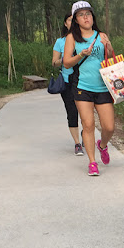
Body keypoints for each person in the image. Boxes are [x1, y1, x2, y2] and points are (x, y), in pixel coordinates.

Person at [63, 1, 114, 177]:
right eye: (81, 14)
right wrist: (80, 54)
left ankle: (103, 145)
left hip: (103, 86)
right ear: (76, 20)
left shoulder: (101, 35)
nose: (86, 17)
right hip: (82, 87)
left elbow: (110, 55)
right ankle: (92, 162)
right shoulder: (72, 38)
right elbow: (66, 62)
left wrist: (108, 45)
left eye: (88, 14)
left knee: (109, 127)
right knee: (88, 124)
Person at [52, 13, 83, 156]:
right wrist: (65, 58)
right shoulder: (60, 41)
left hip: (84, 79)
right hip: (67, 80)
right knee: (72, 111)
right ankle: (77, 143)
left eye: (74, 19)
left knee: (85, 111)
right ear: (65, 24)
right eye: (69, 20)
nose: (72, 22)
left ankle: (86, 133)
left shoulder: (85, 39)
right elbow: (54, 62)